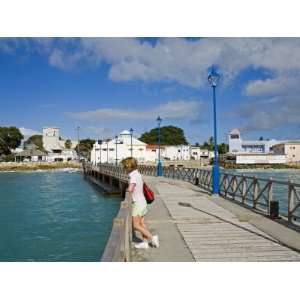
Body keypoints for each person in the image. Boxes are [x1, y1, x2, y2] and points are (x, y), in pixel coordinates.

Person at [121, 157, 159, 249]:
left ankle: (152, 237)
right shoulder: (137, 173)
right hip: (142, 202)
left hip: (137, 203)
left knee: (136, 225)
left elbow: (130, 189)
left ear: (128, 167)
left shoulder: (133, 176)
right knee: (142, 223)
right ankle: (145, 243)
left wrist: (127, 189)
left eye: (124, 167)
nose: (124, 169)